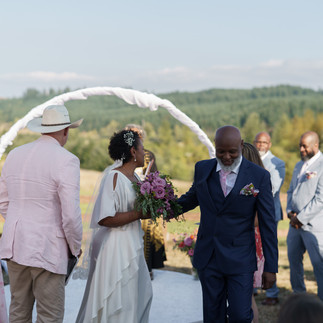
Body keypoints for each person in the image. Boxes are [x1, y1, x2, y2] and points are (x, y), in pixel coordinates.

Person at [178, 125, 278, 322]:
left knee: (240, 316)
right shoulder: (202, 169)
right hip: (209, 257)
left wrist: (270, 267)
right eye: (220, 151)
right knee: (213, 316)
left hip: (240, 259)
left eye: (232, 151)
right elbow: (190, 199)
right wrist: (160, 206)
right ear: (215, 147)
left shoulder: (259, 176)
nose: (226, 157)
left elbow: (268, 225)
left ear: (241, 145)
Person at [0, 104, 83, 322]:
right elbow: (71, 215)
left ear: (42, 129)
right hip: (48, 247)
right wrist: (75, 247)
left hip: (15, 243)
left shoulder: (15, 154)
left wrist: (21, 225)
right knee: (50, 315)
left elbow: (3, 201)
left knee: (18, 309)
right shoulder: (67, 160)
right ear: (65, 131)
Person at [75, 129, 153, 323]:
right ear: (133, 152)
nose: (145, 153)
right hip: (116, 246)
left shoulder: (137, 179)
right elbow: (104, 218)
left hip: (133, 241)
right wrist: (139, 214)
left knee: (140, 294)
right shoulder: (114, 177)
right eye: (143, 148)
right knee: (118, 299)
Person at [124, 124, 166, 280]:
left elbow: (154, 176)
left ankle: (147, 268)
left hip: (143, 196)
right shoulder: (122, 154)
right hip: (126, 194)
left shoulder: (148, 155)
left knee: (146, 235)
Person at [286, 131, 323, 300]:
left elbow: (320, 199)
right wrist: (289, 212)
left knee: (319, 265)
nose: (301, 149)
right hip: (294, 224)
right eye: (300, 145)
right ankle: (298, 298)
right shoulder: (298, 165)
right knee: (294, 262)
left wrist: (300, 218)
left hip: (314, 226)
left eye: (305, 146)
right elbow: (291, 190)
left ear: (315, 145)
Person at [254, 131, 285, 305]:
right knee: (252, 250)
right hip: (250, 216)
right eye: (258, 142)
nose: (260, 145)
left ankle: (272, 293)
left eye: (264, 142)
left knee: (268, 252)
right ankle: (253, 286)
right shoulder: (247, 161)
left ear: (269, 144)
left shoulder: (277, 163)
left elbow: (271, 189)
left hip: (267, 215)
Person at [242, 142, 265, 323]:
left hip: (250, 243)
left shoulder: (258, 181)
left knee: (247, 297)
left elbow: (260, 218)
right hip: (244, 243)